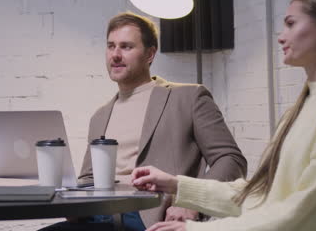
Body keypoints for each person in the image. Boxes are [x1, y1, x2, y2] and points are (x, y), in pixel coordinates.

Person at [131, 0, 316, 231]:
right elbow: (259, 197)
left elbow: (303, 215)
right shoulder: (299, 110)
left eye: (291, 23)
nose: (281, 36)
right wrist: (175, 185)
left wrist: (196, 229)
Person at [42, 13, 247, 231]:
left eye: (126, 47)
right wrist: (71, 205)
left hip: (148, 217)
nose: (116, 55)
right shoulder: (100, 116)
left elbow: (231, 159)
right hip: (97, 218)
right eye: (111, 46)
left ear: (150, 54)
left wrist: (191, 202)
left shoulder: (188, 98)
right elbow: (88, 179)